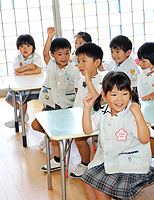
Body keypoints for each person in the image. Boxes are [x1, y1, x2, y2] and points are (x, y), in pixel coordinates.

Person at [81, 71, 154, 200]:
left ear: (130, 93)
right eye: (114, 94)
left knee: (99, 187)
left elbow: (145, 139)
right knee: (87, 180)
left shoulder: (133, 114)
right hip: (110, 161)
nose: (119, 99)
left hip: (131, 167)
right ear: (104, 96)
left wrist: (139, 115)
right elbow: (87, 130)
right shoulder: (103, 112)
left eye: (124, 94)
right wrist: (86, 109)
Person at [31, 27, 80, 171]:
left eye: (66, 53)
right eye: (59, 54)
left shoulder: (74, 70)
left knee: (54, 131)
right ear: (53, 55)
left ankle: (58, 159)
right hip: (50, 104)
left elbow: (78, 90)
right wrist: (49, 37)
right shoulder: (51, 65)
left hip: (66, 107)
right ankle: (56, 143)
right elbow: (45, 52)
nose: (64, 57)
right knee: (36, 125)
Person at [69, 42, 103, 178]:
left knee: (79, 139)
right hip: (80, 115)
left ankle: (85, 163)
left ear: (97, 62)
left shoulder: (101, 79)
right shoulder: (82, 78)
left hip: (95, 117)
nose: (80, 65)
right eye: (78, 61)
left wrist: (88, 80)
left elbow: (98, 101)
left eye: (84, 61)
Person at [4, 34, 44, 128]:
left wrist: (24, 72)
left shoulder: (36, 57)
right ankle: (23, 114)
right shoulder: (18, 58)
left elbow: (38, 70)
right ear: (18, 48)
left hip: (36, 86)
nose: (25, 48)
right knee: (9, 98)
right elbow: (16, 70)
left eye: (28, 46)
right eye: (22, 46)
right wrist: (29, 67)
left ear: (33, 47)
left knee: (23, 99)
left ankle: (20, 118)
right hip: (22, 86)